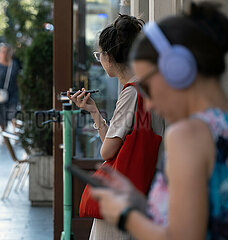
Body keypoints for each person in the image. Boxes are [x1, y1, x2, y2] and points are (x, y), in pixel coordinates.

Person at [91, 2, 228, 239]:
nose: (148, 102)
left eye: (150, 79)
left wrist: (125, 214)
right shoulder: (225, 127)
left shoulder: (190, 135)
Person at [67, 14, 165, 240]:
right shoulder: (149, 88)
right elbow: (116, 142)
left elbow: (107, 151)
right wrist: (94, 111)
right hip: (147, 195)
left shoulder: (131, 92)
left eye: (99, 55)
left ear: (108, 57)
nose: (99, 60)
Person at [0, 43, 20, 132]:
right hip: (0, 93)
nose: (4, 54)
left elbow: (18, 78)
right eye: (3, 52)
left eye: (6, 52)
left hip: (12, 92)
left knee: (13, 112)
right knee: (1, 115)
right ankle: (4, 134)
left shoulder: (14, 64)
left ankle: (15, 132)